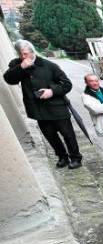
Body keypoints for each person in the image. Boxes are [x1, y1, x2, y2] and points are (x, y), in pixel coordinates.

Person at [4, 39, 82, 169]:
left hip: (57, 108)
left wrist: (52, 91)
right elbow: (9, 79)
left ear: (32, 51)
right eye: (21, 54)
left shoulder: (49, 65)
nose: (24, 57)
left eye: (26, 53)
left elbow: (67, 84)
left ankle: (75, 158)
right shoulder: (18, 65)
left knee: (68, 134)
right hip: (38, 109)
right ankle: (62, 157)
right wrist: (21, 67)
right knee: (51, 136)